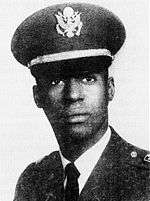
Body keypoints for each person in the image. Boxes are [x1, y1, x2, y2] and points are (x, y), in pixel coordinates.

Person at [11, 3, 150, 201]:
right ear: (38, 96)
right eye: (55, 81)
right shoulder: (33, 182)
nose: (73, 95)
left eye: (88, 79)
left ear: (109, 89)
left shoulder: (145, 179)